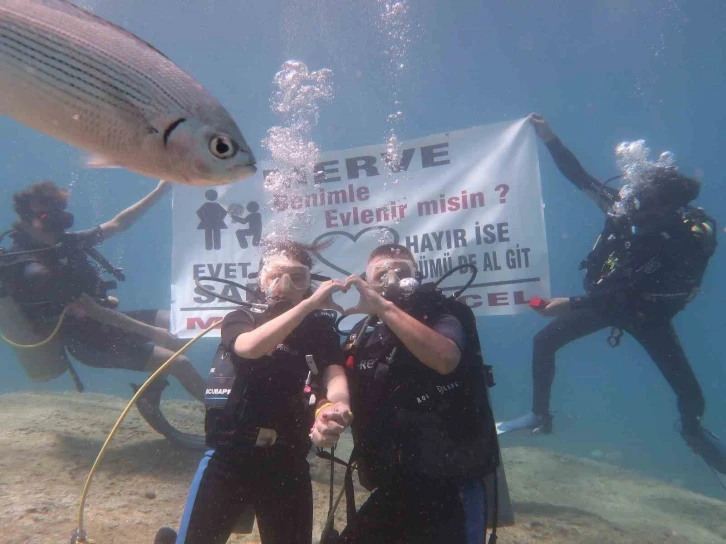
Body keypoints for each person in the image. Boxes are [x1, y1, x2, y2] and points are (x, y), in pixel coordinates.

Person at [496, 113, 725, 475]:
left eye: (642, 200)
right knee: (544, 342)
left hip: (648, 314)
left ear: (664, 206)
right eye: (633, 196)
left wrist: (570, 303)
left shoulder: (680, 238)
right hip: (606, 304)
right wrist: (549, 138)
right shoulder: (624, 209)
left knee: (692, 395)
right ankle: (541, 416)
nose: (631, 204)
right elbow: (580, 177)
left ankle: (694, 434)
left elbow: (632, 292)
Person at [311, 244, 500, 544]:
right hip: (391, 484)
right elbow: (338, 388)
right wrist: (326, 413)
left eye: (402, 270)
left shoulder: (445, 312)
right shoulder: (364, 332)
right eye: (381, 272)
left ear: (417, 275)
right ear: (368, 281)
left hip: (451, 486)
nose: (392, 277)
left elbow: (445, 359)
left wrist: (385, 308)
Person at [163, 240, 350, 544]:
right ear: (261, 279)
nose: (284, 285)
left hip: (288, 460)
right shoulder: (242, 317)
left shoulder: (319, 330)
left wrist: (338, 407)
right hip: (228, 456)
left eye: (297, 277)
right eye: (275, 275)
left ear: (309, 283)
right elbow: (249, 348)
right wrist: (310, 304)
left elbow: (335, 375)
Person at [4, 179, 205, 401]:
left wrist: (160, 191)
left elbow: (118, 224)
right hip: (89, 342)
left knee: (181, 323)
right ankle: (226, 420)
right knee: (180, 363)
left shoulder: (63, 242)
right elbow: (93, 311)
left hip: (107, 323)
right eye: (47, 216)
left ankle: (153, 389)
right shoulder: (34, 270)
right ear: (26, 221)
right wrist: (154, 333)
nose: (58, 222)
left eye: (59, 213)